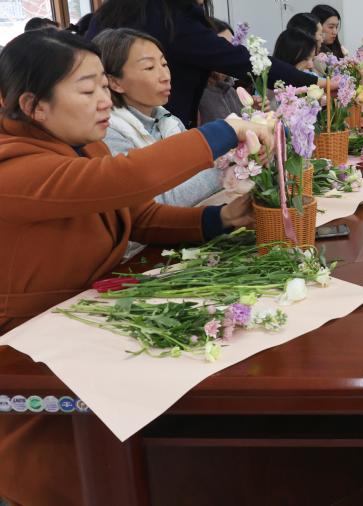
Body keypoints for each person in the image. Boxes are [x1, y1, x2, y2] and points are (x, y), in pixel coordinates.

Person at [0, 29, 272, 506]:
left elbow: (137, 216)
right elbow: (124, 179)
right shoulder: (13, 169)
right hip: (29, 358)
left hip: (86, 323)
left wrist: (220, 219)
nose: (105, 101)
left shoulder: (82, 145)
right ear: (33, 105)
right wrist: (226, 131)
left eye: (104, 86)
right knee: (79, 472)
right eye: (88, 90)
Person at [86, 0, 319, 128]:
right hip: (146, 130)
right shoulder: (173, 20)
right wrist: (315, 83)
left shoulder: (126, 3)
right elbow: (242, 60)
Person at [96, 28, 222, 207]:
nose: (165, 77)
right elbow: (154, 203)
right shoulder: (108, 133)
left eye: (164, 64)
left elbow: (197, 169)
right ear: (115, 82)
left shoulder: (168, 121)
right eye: (149, 67)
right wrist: (225, 171)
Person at [198, 18, 244, 124]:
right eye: (222, 48)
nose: (228, 55)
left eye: (231, 48)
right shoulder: (198, 96)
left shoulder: (231, 91)